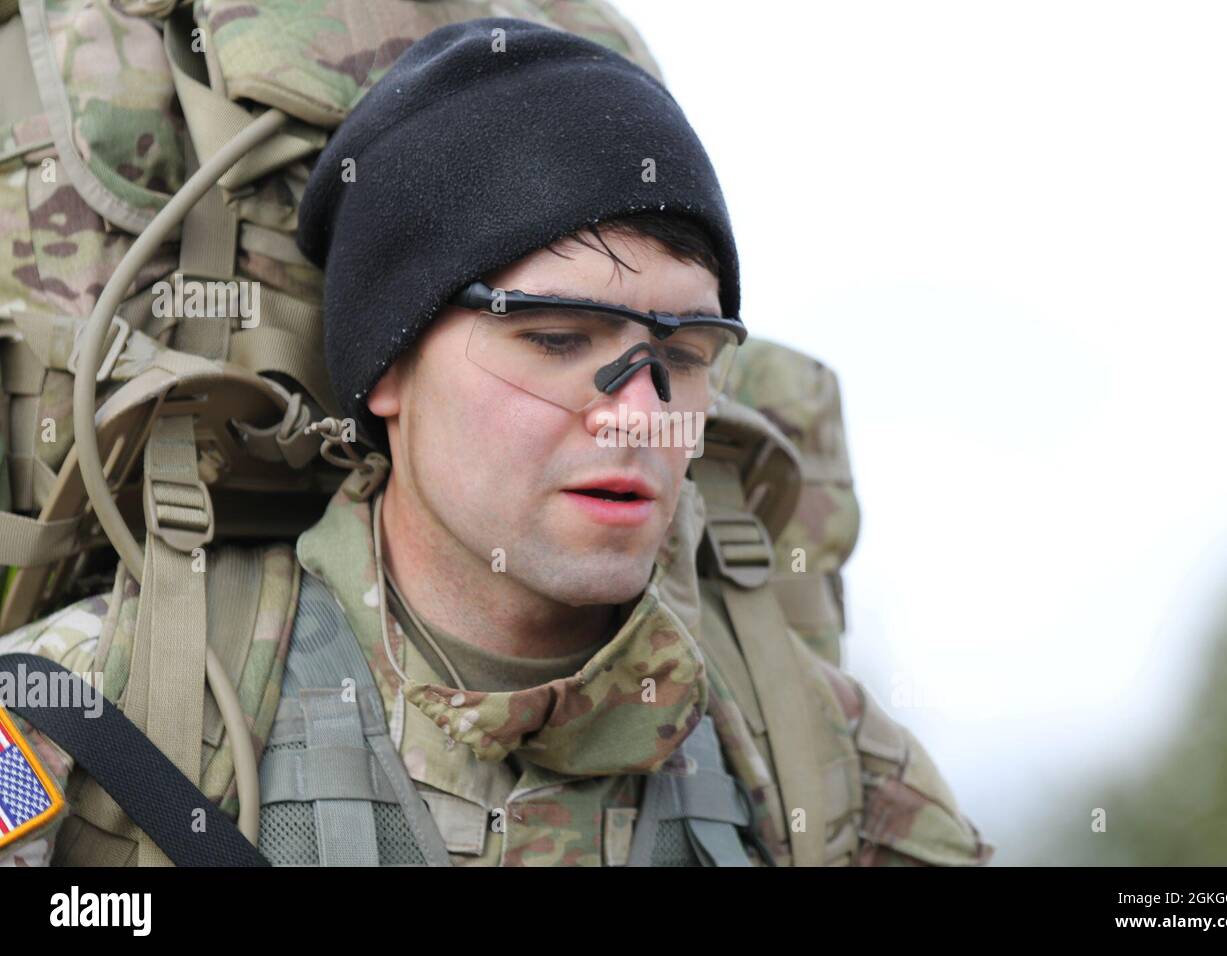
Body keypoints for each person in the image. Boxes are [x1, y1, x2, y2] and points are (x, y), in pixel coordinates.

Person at [0, 18, 992, 867]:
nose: (639, 411)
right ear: (387, 369)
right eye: (558, 340)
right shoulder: (102, 711)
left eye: (684, 351)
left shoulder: (814, 754)